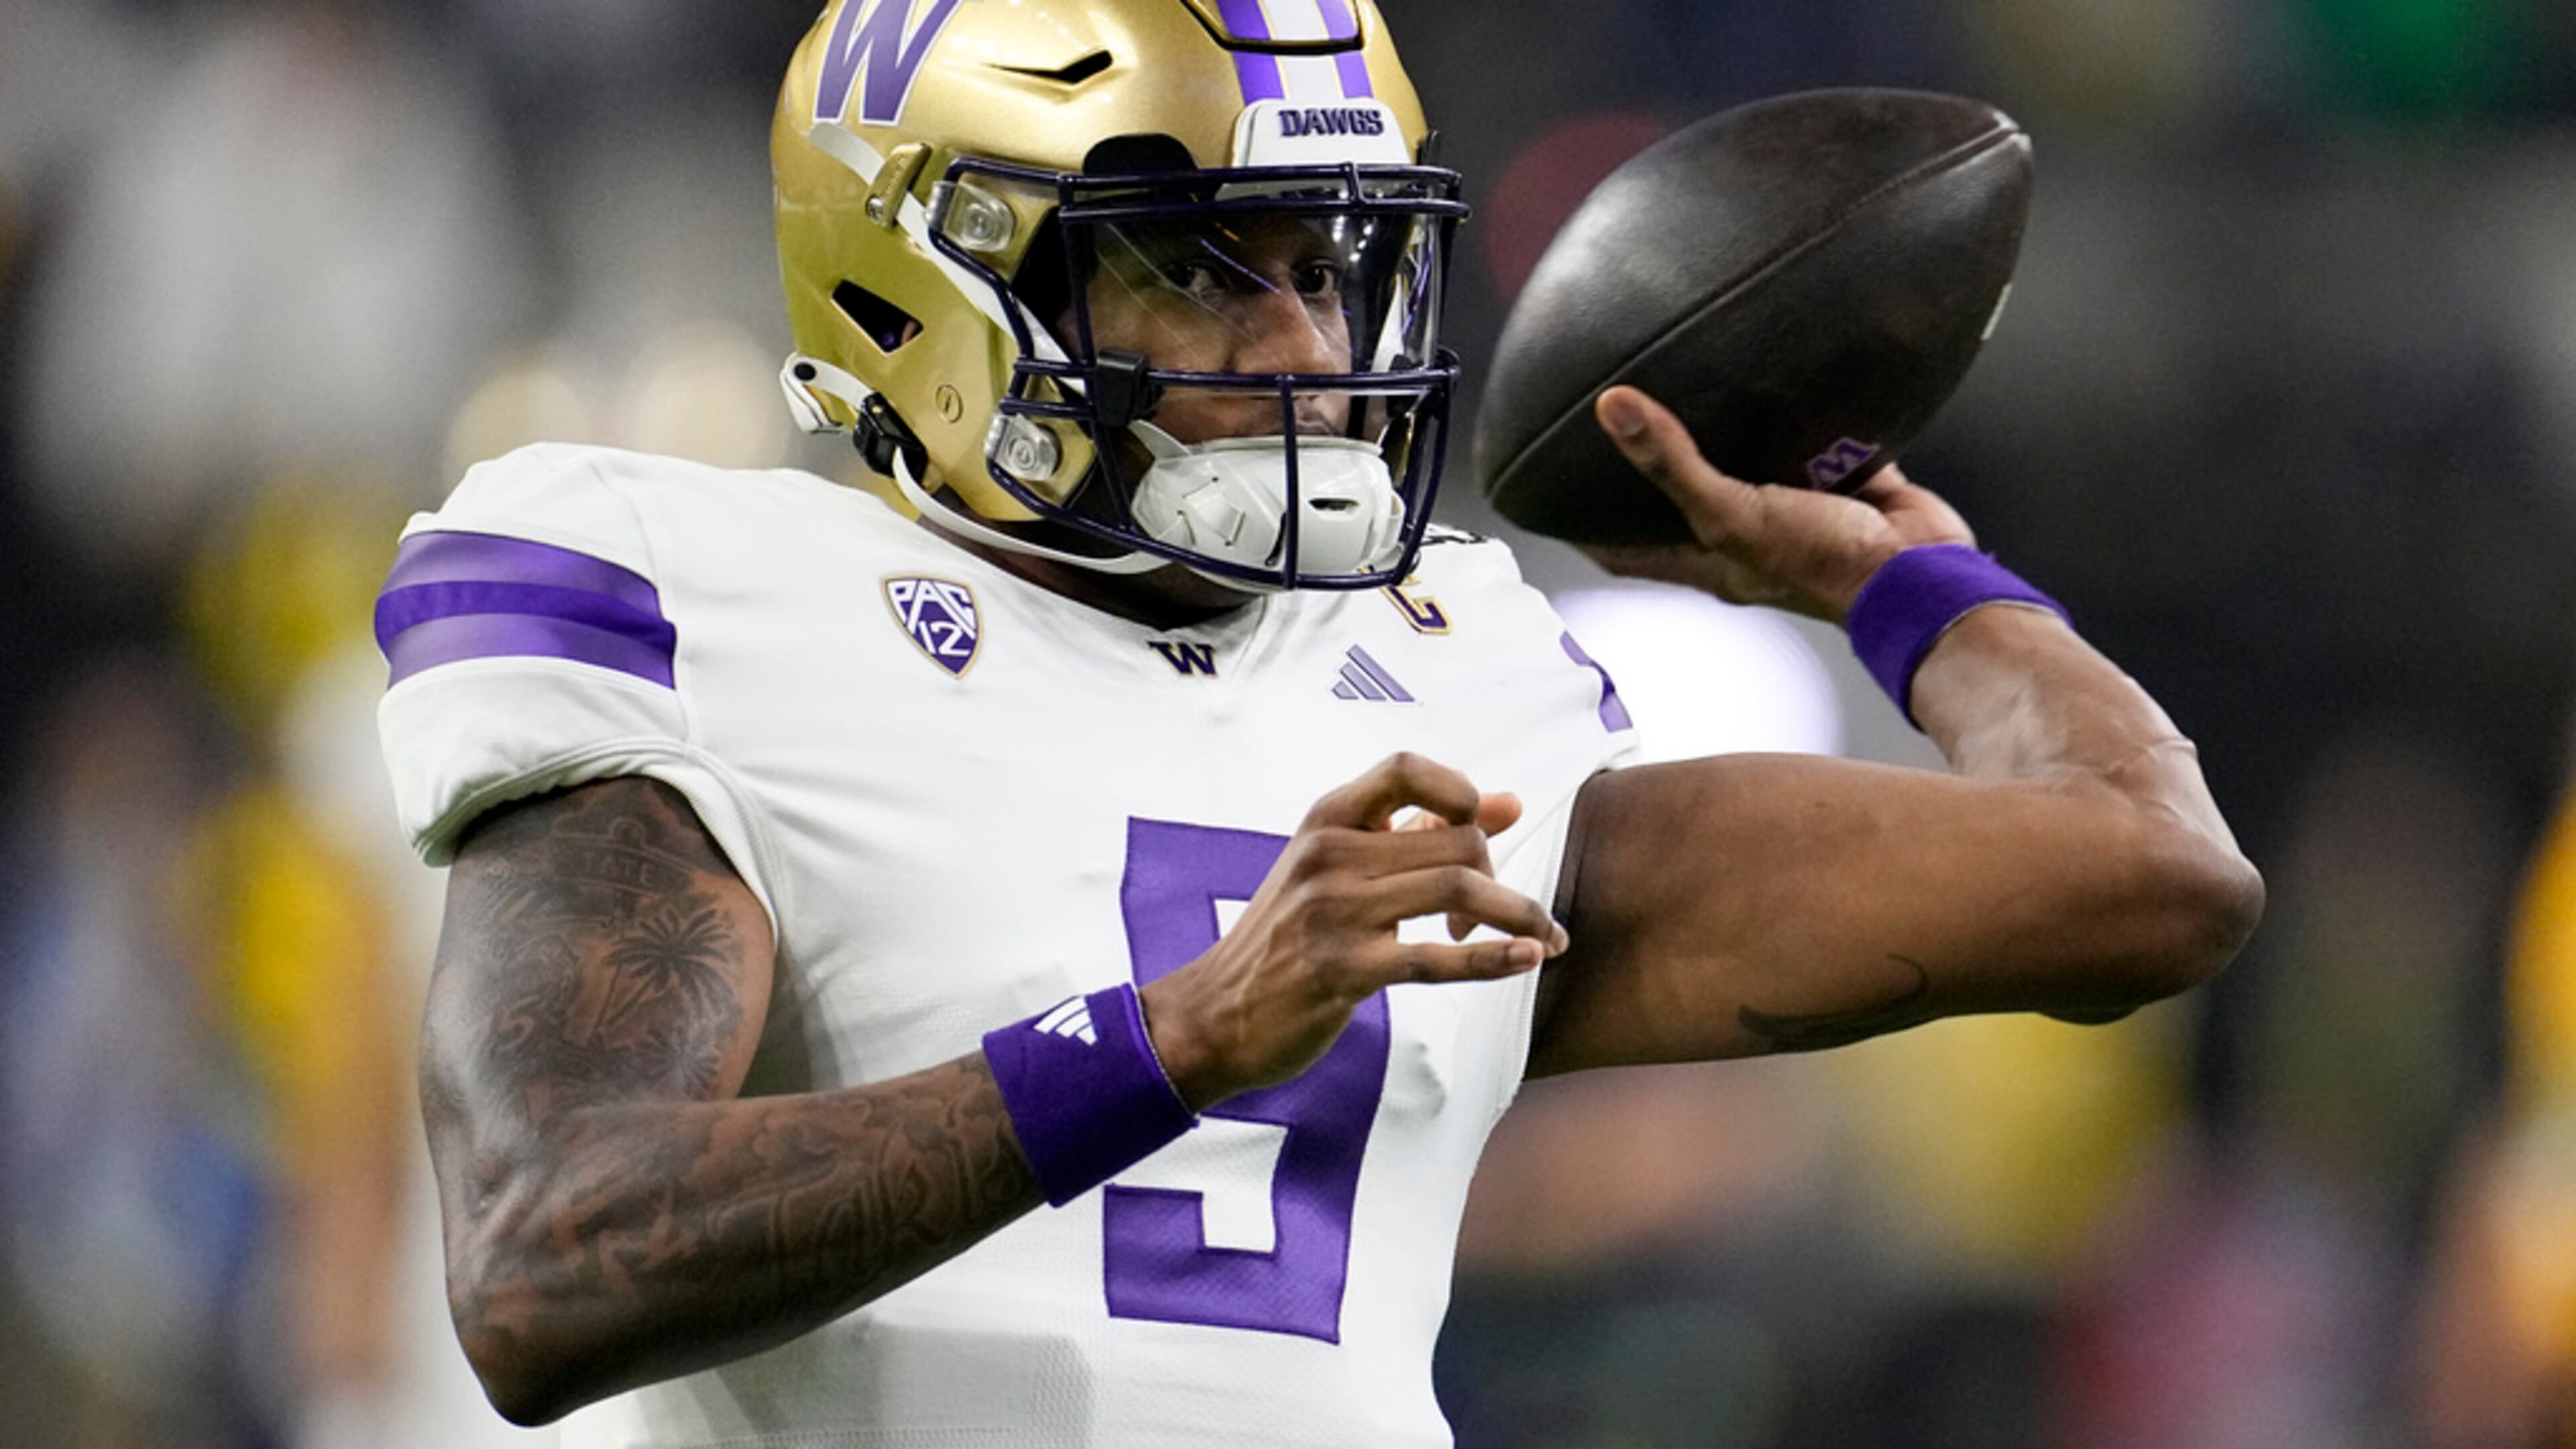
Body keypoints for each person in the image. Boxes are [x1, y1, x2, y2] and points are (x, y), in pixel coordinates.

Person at [377, 1, 2263, 1443]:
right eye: (1190, 269)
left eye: (1328, 267)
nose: (1304, 353)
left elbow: (2151, 873)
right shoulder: (700, 598)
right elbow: (553, 1262)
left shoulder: (1459, 679)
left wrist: (1891, 578)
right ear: (927, 280)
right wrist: (1173, 1043)